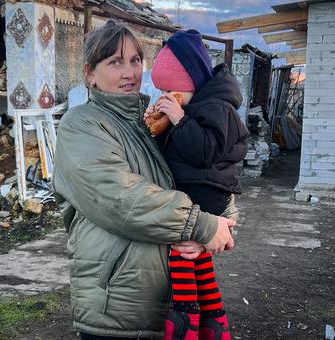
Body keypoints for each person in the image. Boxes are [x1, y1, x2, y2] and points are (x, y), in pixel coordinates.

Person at [52, 20, 236, 340]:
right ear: (90, 73)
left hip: (163, 305)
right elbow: (123, 199)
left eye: (135, 61)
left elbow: (200, 174)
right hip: (116, 309)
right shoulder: (82, 125)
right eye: (115, 62)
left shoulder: (148, 125)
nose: (130, 73)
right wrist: (201, 225)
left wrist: (222, 219)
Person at [146, 29, 249, 340]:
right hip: (197, 194)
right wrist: (156, 125)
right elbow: (175, 152)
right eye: (161, 89)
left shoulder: (217, 108)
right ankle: (213, 323)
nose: (166, 96)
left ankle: (185, 321)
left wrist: (178, 118)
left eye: (171, 89)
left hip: (206, 197)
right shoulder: (193, 107)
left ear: (191, 83)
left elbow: (203, 152)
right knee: (198, 260)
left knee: (182, 254)